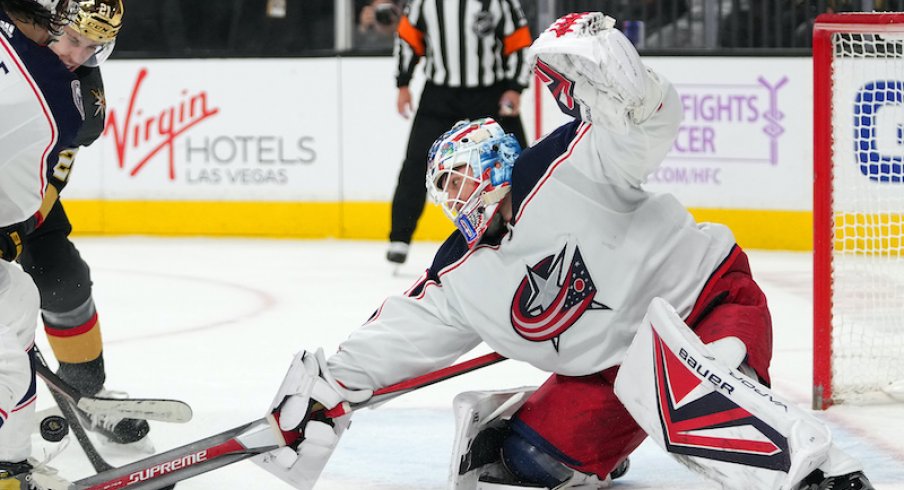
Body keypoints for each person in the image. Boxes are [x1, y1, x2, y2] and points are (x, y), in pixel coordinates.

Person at [256, 12, 874, 490]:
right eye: (443, 189)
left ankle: (815, 472)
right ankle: (617, 444)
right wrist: (331, 386)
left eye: (460, 177)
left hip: (708, 305)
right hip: (611, 372)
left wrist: (621, 78)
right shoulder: (460, 276)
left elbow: (643, 122)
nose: (454, 198)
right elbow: (402, 331)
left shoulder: (571, 160)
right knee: (524, 457)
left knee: (681, 390)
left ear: (497, 163)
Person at [18, 0, 151, 447]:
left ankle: (87, 396)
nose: (78, 55)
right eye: (74, 39)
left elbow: (53, 175)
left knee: (64, 279)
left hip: (19, 193)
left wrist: (17, 228)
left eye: (94, 47)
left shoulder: (84, 96)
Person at [0, 0, 84, 486]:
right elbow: (18, 209)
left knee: (19, 297)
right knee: (6, 368)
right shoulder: (49, 98)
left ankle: (9, 466)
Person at [386, 0, 531, 265]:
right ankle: (400, 236)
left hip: (490, 90)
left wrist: (514, 87)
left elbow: (518, 40)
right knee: (418, 161)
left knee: (518, 158)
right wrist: (403, 83)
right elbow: (408, 38)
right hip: (440, 92)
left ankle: (529, 221)